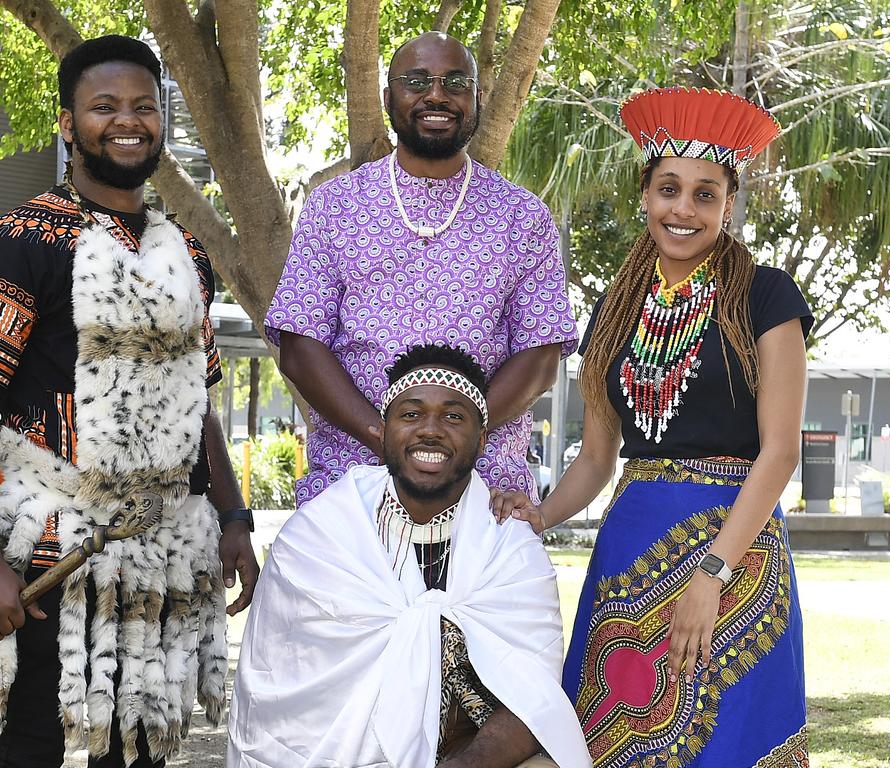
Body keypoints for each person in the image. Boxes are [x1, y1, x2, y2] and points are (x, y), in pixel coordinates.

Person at [0, 35, 258, 768]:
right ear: (66, 123)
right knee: (27, 747)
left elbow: (195, 400)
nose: (128, 120)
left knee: (142, 749)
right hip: (52, 553)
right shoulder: (14, 241)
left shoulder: (188, 253)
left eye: (144, 106)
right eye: (104, 106)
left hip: (170, 553)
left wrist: (234, 515)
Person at [494, 87, 812, 767]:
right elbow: (597, 458)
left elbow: (780, 453)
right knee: (614, 744)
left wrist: (712, 572)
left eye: (706, 194)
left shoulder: (767, 296)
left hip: (738, 554)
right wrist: (540, 515)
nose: (684, 209)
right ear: (645, 193)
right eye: (670, 188)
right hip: (629, 551)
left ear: (729, 203)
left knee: (725, 747)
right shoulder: (615, 307)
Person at [226, 344, 591, 768]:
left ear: (482, 439)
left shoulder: (509, 548)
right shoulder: (319, 537)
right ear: (382, 430)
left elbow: (536, 699)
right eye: (411, 414)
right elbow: (279, 698)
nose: (430, 430)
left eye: (454, 416)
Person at [265, 31, 578, 506]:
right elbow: (299, 344)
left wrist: (459, 439)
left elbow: (540, 354)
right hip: (353, 480)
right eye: (417, 81)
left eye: (455, 82)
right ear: (389, 97)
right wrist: (385, 438)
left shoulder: (522, 215)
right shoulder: (335, 206)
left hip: (486, 486)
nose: (436, 94)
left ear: (476, 98)